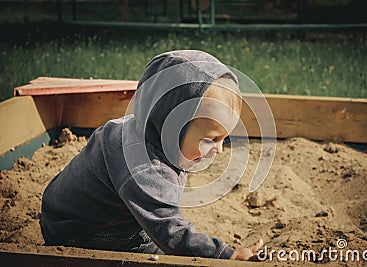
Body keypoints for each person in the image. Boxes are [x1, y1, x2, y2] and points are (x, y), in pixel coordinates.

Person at [40, 50, 264, 261]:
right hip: (81, 233)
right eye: (211, 139)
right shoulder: (145, 168)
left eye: (224, 138)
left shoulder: (141, 127)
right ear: (172, 126)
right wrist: (226, 255)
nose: (219, 149)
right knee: (160, 249)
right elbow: (169, 230)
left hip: (60, 214)